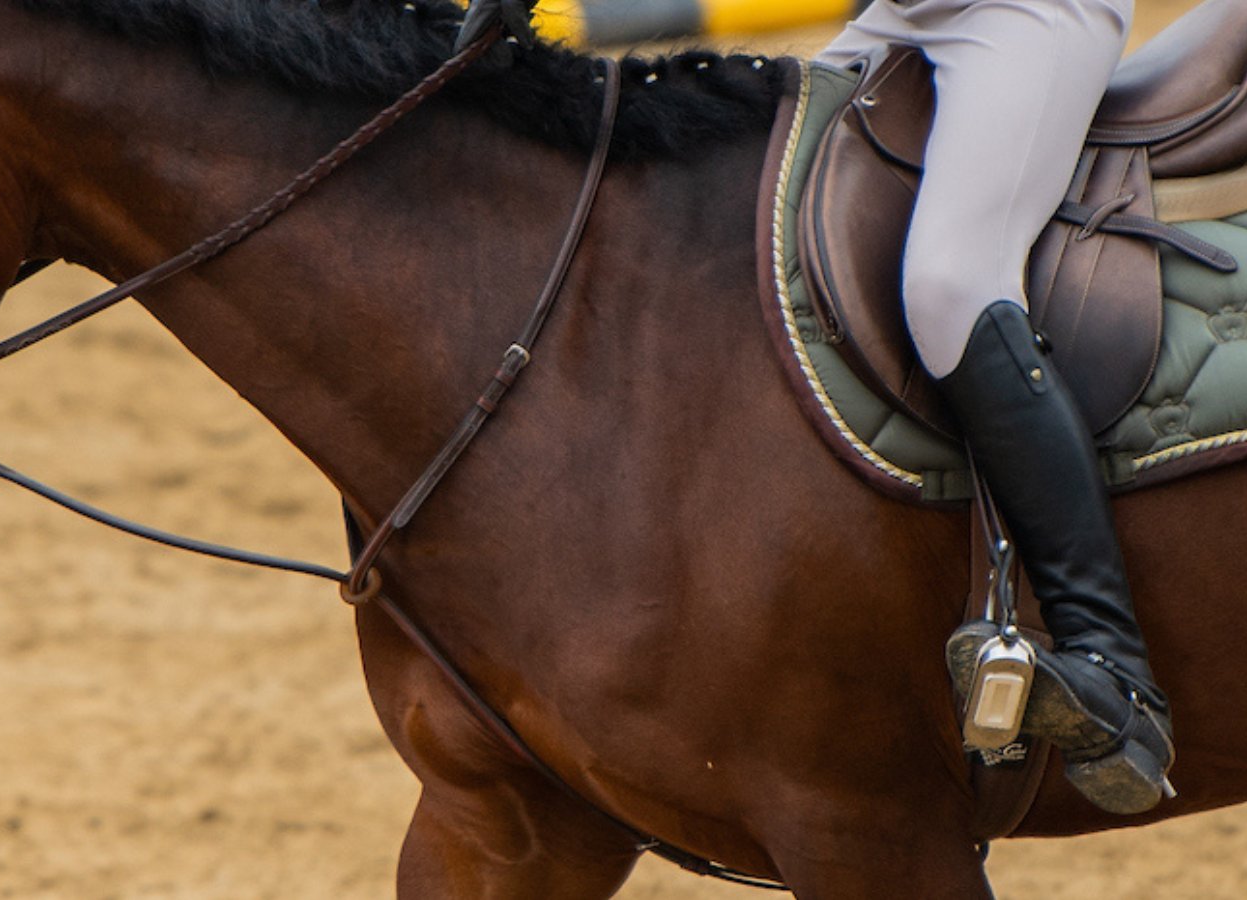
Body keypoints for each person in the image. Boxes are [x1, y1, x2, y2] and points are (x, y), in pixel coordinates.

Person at [455, 0, 1175, 815]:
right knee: (741, 215)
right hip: (900, 18)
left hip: (1022, 10)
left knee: (950, 286)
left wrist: (569, 19)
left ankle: (1111, 664)